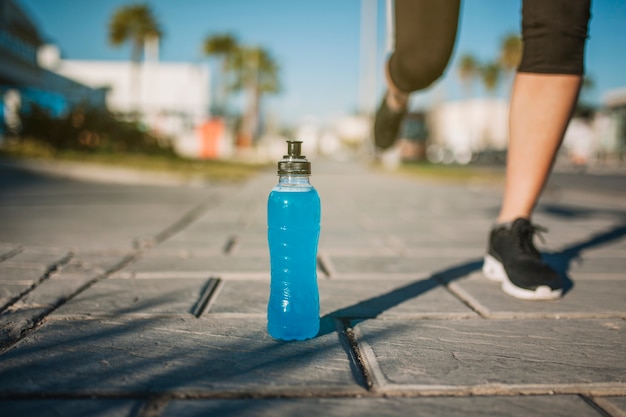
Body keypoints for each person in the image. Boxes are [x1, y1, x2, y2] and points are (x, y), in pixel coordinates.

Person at [374, 0, 591, 300]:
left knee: (560, 25)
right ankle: (398, 92)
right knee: (423, 61)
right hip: (415, 69)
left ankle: (511, 227)